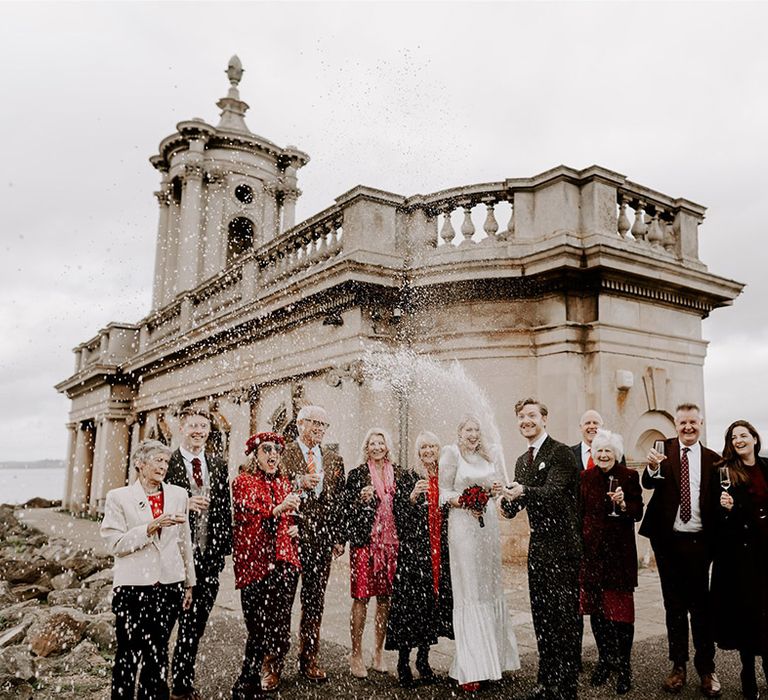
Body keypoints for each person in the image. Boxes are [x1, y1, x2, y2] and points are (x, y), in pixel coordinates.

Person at [100, 440, 196, 700]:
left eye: (166, 461)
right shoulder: (118, 497)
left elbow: (184, 541)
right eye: (157, 460)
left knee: (157, 654)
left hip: (169, 585)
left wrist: (189, 583)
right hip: (132, 588)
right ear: (139, 464)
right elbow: (115, 544)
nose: (163, 466)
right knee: (128, 655)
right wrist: (151, 526)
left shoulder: (178, 494)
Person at [501, 397, 581, 700]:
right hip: (539, 550)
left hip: (563, 548)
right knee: (543, 617)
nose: (526, 421)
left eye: (532, 415)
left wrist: (524, 491)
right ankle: (546, 679)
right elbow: (520, 504)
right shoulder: (523, 460)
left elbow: (554, 493)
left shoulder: (561, 453)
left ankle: (567, 684)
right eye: (521, 416)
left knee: (566, 619)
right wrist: (507, 502)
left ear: (544, 419)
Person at [639, 402, 721, 696]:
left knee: (701, 609)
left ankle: (706, 669)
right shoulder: (663, 451)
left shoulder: (714, 460)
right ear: (676, 424)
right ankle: (678, 666)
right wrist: (651, 466)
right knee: (673, 607)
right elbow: (649, 482)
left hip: (700, 543)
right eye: (683, 423)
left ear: (701, 423)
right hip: (668, 542)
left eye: (693, 423)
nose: (688, 427)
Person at [440, 415, 520, 692]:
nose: (473, 434)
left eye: (476, 430)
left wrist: (495, 490)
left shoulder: (491, 454)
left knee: (489, 588)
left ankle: (493, 659)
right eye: (468, 430)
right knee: (470, 591)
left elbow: (499, 489)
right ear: (459, 433)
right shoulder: (451, 454)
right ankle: (471, 665)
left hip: (487, 527)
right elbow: (442, 493)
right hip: (463, 528)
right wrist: (463, 501)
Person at [165, 407, 232, 700]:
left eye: (203, 427)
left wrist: (222, 553)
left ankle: (182, 683)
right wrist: (183, 504)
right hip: (173, 556)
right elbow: (152, 500)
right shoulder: (166, 461)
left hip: (208, 557)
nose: (198, 431)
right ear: (182, 428)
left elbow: (223, 510)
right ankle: (154, 684)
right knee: (166, 623)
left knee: (195, 627)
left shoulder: (217, 463)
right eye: (193, 426)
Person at [278, 405, 346, 683]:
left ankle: (309, 658)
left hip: (321, 539)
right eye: (314, 423)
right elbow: (275, 484)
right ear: (300, 423)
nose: (319, 428)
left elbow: (339, 500)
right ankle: (273, 663)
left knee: (314, 601)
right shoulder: (282, 452)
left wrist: (339, 537)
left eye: (323, 424)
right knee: (282, 601)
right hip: (291, 535)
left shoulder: (333, 458)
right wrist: (298, 482)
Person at [231, 432, 301, 700]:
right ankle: (246, 683)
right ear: (255, 455)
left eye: (277, 451)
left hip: (284, 563)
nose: (273, 455)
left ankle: (262, 675)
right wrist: (278, 509)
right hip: (255, 564)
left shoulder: (284, 483)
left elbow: (289, 519)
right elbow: (252, 515)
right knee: (257, 627)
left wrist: (295, 529)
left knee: (277, 624)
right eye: (267, 450)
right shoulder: (243, 482)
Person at [385, 430, 454, 687]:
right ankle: (404, 662)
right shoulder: (408, 477)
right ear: (418, 452)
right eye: (423, 447)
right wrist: (411, 498)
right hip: (415, 554)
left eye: (432, 447)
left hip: (439, 550)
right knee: (411, 607)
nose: (428, 452)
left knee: (430, 608)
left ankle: (423, 660)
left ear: (439, 450)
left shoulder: (445, 477)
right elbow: (398, 516)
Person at [579, 430, 643, 695]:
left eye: (608, 451)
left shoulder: (629, 476)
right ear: (593, 453)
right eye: (599, 451)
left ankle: (624, 666)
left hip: (619, 556)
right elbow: (579, 512)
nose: (603, 455)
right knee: (598, 614)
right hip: (592, 556)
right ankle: (605, 660)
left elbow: (638, 511)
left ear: (616, 454)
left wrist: (624, 504)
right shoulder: (584, 478)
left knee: (621, 616)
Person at [711, 420, 768, 700]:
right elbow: (718, 519)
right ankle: (748, 674)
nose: (739, 440)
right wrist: (730, 510)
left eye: (744, 435)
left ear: (755, 439)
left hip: (766, 553)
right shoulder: (725, 471)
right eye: (734, 437)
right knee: (747, 616)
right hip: (741, 558)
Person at [344, 428, 401, 678]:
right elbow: (345, 509)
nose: (377, 446)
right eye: (372, 443)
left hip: (390, 544)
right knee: (361, 597)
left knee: (385, 598)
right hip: (364, 544)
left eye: (381, 442)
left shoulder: (398, 473)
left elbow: (405, 506)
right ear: (366, 448)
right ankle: (356, 653)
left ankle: (378, 651)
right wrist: (359, 501)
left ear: (387, 446)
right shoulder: (357, 475)